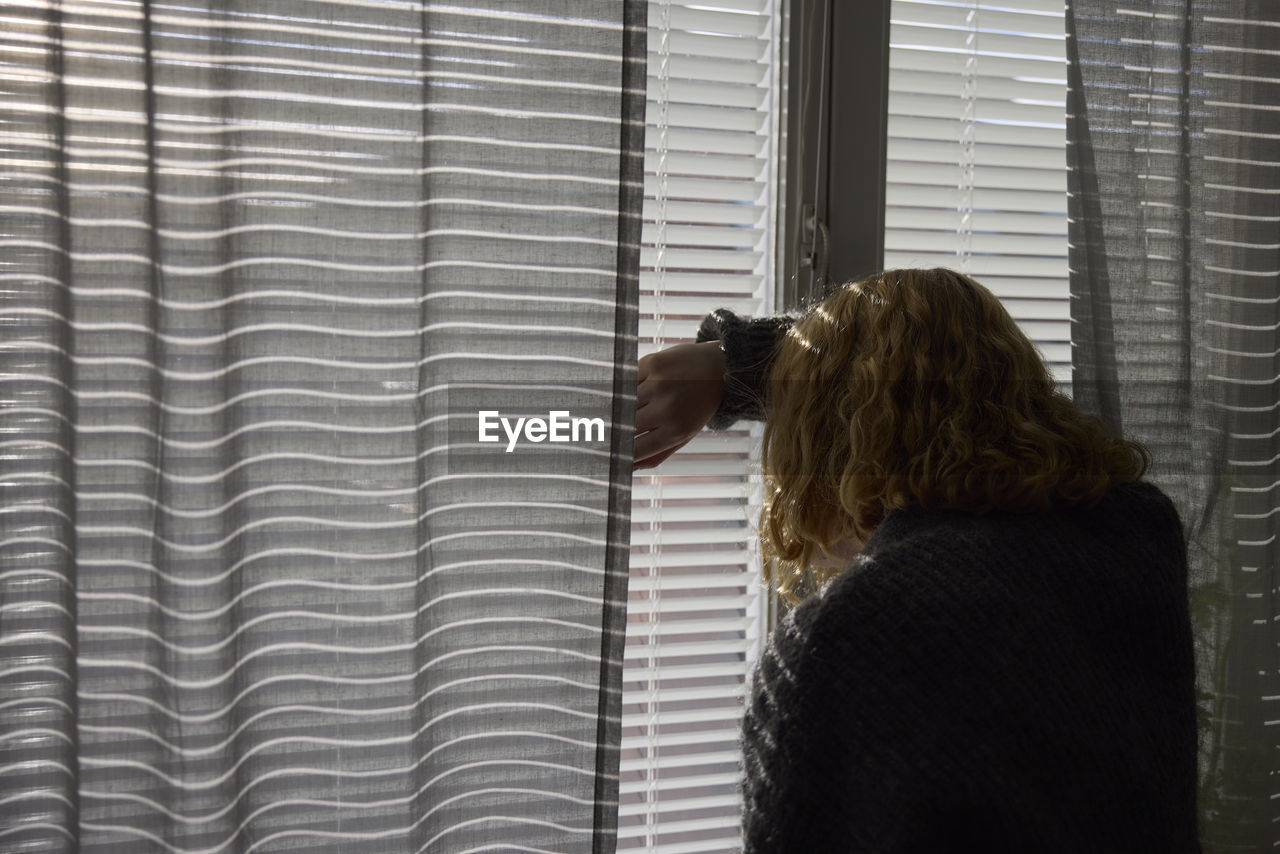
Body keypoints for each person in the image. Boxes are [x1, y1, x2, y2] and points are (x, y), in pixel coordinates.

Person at [634, 268, 1201, 852]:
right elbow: (935, 350)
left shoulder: (853, 636)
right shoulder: (1135, 530)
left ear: (829, 433)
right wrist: (734, 365)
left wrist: (735, 366)